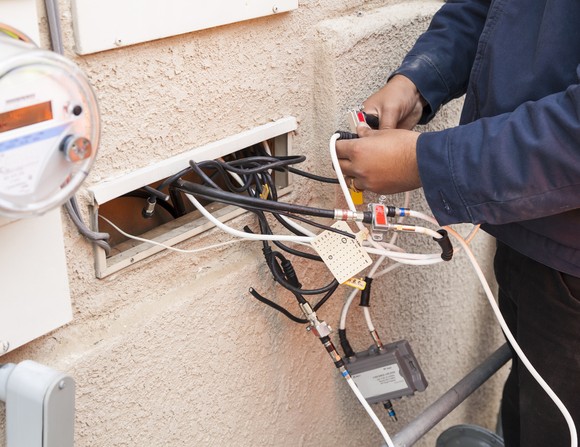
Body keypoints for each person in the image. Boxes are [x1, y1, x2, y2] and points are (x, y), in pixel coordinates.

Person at [335, 1, 580, 446]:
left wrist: (425, 162)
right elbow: (490, 9)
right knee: (531, 412)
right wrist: (417, 81)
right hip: (531, 234)